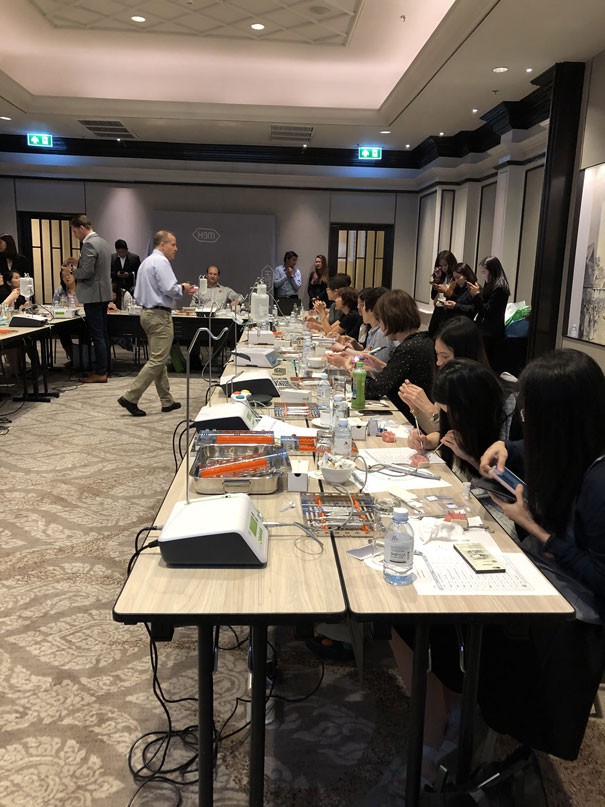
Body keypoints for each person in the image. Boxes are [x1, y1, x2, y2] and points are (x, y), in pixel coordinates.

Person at [475, 348, 605, 759]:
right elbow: (526, 446)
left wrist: (533, 528)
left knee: (470, 622)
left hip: (576, 615)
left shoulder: (600, 482)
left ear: (559, 417)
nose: (524, 418)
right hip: (548, 572)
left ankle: (484, 713)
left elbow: (600, 578)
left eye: (530, 412)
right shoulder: (580, 441)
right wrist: (504, 446)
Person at [118, 230, 196, 417]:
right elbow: (169, 288)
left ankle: (166, 400)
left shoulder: (145, 262)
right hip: (159, 315)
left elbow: (138, 292)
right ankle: (130, 397)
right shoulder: (161, 262)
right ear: (162, 244)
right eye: (173, 244)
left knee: (158, 358)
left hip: (147, 313)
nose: (176, 249)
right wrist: (183, 288)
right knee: (158, 360)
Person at [407, 357, 506, 474]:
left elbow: (500, 478)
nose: (438, 362)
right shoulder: (457, 406)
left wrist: (468, 457)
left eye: (444, 356)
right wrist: (426, 441)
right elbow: (447, 436)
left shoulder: (503, 422)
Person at [399, 316, 490, 432]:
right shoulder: (449, 382)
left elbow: (460, 436)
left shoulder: (481, 390)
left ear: (465, 355)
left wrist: (429, 408)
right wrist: (416, 407)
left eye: (445, 356)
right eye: (437, 354)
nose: (438, 362)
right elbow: (437, 432)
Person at [358, 290, 434, 420]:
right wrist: (381, 366)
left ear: (390, 319)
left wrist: (355, 373)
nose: (380, 325)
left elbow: (373, 390)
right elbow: (399, 375)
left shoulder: (409, 348)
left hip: (410, 417)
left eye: (380, 320)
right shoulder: (422, 340)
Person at [66, 215, 112, 383]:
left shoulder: (89, 244)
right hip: (103, 293)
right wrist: (79, 263)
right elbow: (96, 268)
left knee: (97, 335)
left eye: (74, 231)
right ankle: (104, 368)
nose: (75, 235)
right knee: (103, 334)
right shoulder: (103, 242)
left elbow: (87, 272)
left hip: (93, 295)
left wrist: (72, 271)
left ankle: (101, 372)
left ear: (82, 228)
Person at [467, 255, 510, 370]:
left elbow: (488, 310)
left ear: (492, 271)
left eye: (484, 272)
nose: (483, 276)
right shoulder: (490, 283)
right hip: (484, 328)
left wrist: (476, 295)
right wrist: (477, 293)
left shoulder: (499, 287)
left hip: (491, 332)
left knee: (487, 364)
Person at [428, 262, 477, 336]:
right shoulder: (456, 286)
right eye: (454, 278)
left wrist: (455, 306)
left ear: (466, 276)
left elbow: (473, 309)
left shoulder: (474, 289)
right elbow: (452, 299)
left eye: (458, 277)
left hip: (464, 326)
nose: (456, 280)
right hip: (451, 322)